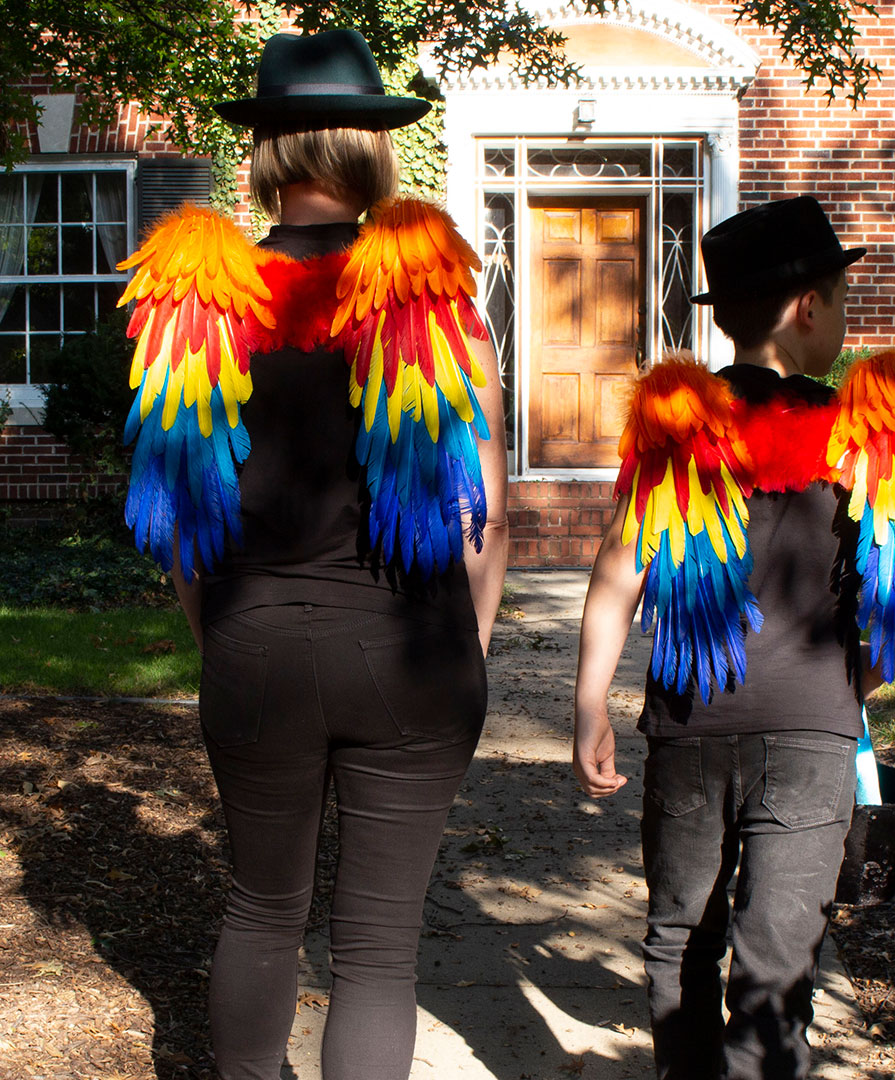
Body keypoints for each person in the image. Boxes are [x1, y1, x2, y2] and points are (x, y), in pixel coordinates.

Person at [118, 29, 508, 1080]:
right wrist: (466, 648)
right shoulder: (434, 307)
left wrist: (228, 635)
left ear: (268, 152)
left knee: (260, 907)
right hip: (414, 653)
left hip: (256, 648)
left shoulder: (195, 309)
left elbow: (181, 522)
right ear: (373, 151)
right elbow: (488, 514)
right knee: (379, 951)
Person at [573, 196, 895, 1079]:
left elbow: (616, 572)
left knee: (679, 935)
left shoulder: (679, 429)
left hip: (687, 732)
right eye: (840, 298)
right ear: (807, 309)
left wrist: (589, 700)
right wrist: (852, 684)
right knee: (778, 959)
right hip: (809, 737)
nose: (844, 318)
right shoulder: (869, 439)